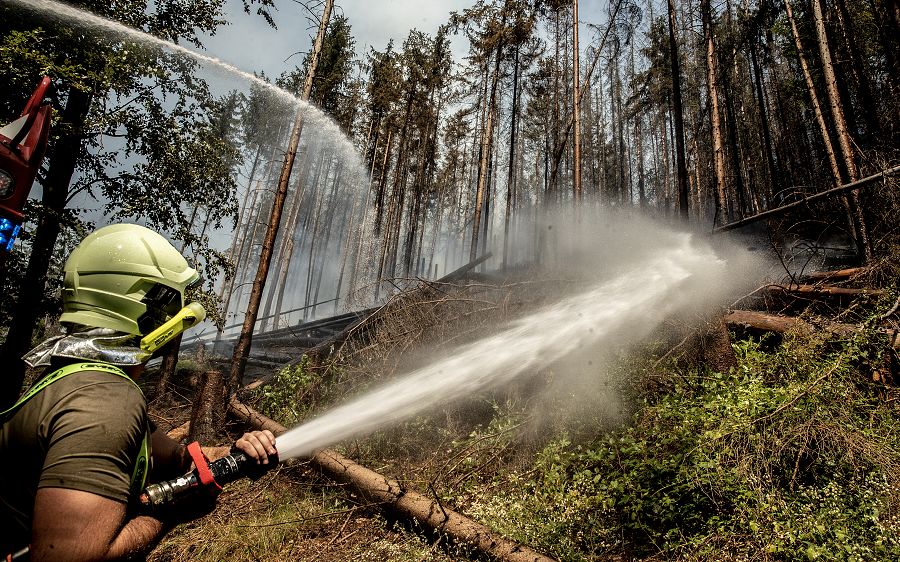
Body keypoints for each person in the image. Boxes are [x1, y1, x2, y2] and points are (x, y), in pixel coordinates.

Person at [0, 223, 277, 560]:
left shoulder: (75, 381)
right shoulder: (104, 401)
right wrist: (171, 512)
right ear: (142, 308)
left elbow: (178, 458)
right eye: (167, 305)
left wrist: (236, 455)